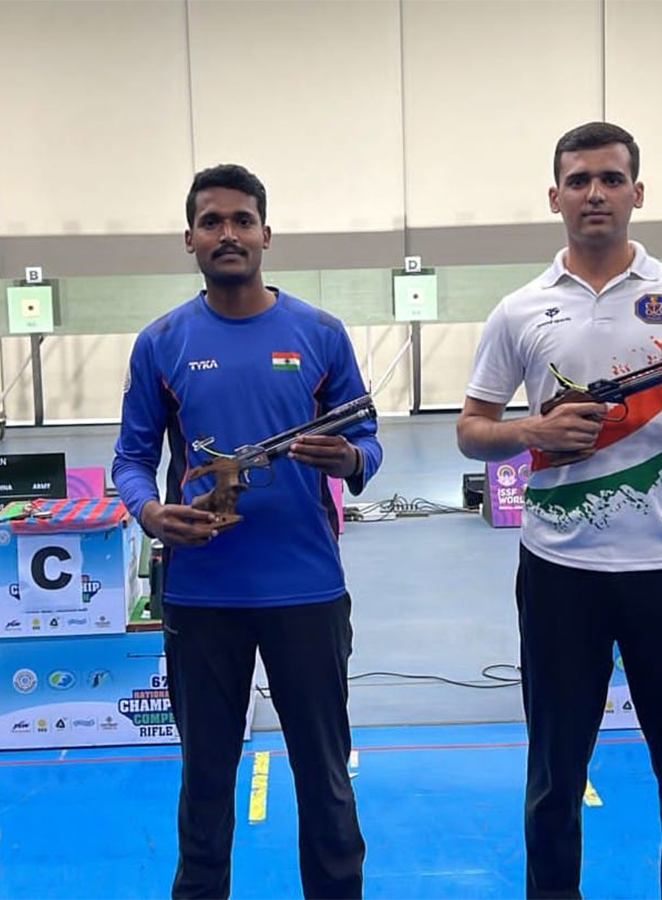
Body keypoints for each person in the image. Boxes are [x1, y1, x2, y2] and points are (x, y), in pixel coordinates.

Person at [456, 122, 662, 899]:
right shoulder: (520, 311)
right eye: (580, 179)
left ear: (637, 192)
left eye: (612, 178)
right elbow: (470, 429)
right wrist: (534, 430)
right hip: (562, 574)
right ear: (555, 196)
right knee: (555, 776)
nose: (596, 193)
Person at [112, 163, 380, 899]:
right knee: (204, 780)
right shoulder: (161, 342)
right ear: (190, 239)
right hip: (202, 596)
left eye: (241, 220)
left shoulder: (320, 334)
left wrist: (351, 456)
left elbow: (370, 439)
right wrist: (150, 512)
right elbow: (131, 459)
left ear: (266, 232)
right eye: (211, 222)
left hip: (307, 589)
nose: (227, 234)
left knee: (324, 776)